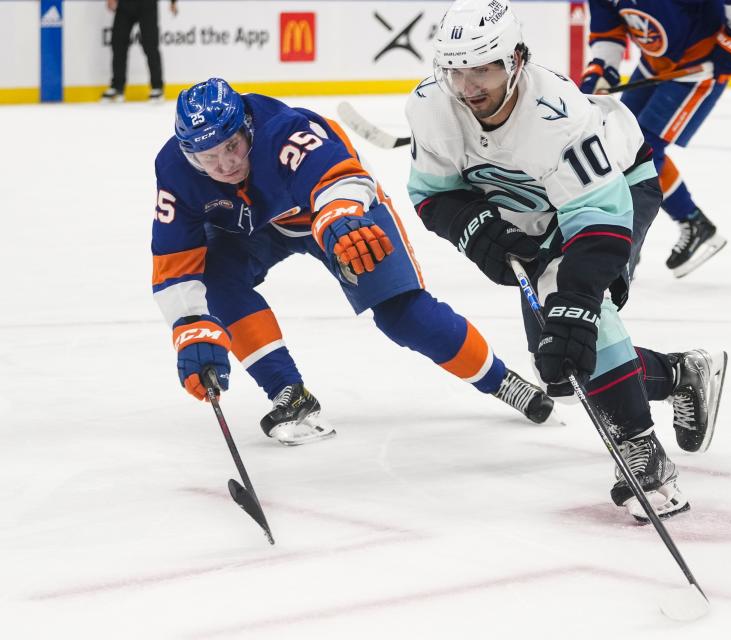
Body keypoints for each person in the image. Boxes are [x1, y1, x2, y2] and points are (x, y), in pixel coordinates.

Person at [405, 0, 728, 523]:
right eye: (456, 70)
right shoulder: (430, 107)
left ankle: (642, 453)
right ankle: (678, 373)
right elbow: (431, 193)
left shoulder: (558, 116)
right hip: (533, 215)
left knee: (574, 314)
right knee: (560, 368)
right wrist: (471, 226)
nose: (469, 88)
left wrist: (578, 301)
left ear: (516, 60)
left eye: (483, 68)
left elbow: (598, 219)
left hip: (617, 190)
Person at [152, 77, 555, 446]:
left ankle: (501, 381)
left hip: (333, 213)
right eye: (208, 158)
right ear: (189, 154)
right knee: (215, 284)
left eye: (232, 146)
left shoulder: (284, 130)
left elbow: (339, 177)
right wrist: (191, 327)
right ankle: (288, 393)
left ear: (248, 129)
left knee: (402, 315)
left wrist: (340, 215)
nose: (225, 164)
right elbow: (175, 261)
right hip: (255, 229)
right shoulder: (174, 170)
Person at [579, 0, 731, 278]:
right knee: (619, 142)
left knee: (645, 150)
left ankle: (691, 222)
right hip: (654, 65)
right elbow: (608, 33)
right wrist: (602, 70)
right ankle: (630, 241)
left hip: (697, 66)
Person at [101, 0, 178, 103]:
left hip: (147, 4)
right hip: (125, 5)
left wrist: (173, 2)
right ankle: (117, 86)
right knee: (118, 43)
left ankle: (157, 87)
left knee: (150, 45)